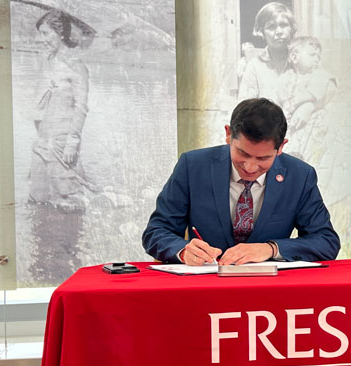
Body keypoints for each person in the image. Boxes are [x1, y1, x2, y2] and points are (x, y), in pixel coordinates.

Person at [142, 98, 340, 265]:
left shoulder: (299, 176)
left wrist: (270, 249)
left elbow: (326, 241)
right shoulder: (193, 166)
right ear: (228, 134)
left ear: (281, 147)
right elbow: (157, 231)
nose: (250, 167)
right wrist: (183, 251)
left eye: (263, 159)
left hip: (271, 291)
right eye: (242, 153)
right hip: (203, 286)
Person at [29, 9, 93, 210]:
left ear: (61, 33)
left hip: (62, 143)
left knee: (67, 200)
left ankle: (68, 240)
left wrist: (72, 143)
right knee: (37, 199)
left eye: (46, 33)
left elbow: (81, 107)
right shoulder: (47, 62)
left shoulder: (77, 66)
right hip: (42, 142)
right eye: (41, 34)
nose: (43, 39)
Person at [237, 2, 296, 104]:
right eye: (271, 27)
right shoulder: (255, 66)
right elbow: (244, 107)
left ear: (291, 29)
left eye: (283, 25)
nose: (278, 31)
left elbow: (327, 90)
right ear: (262, 32)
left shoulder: (304, 59)